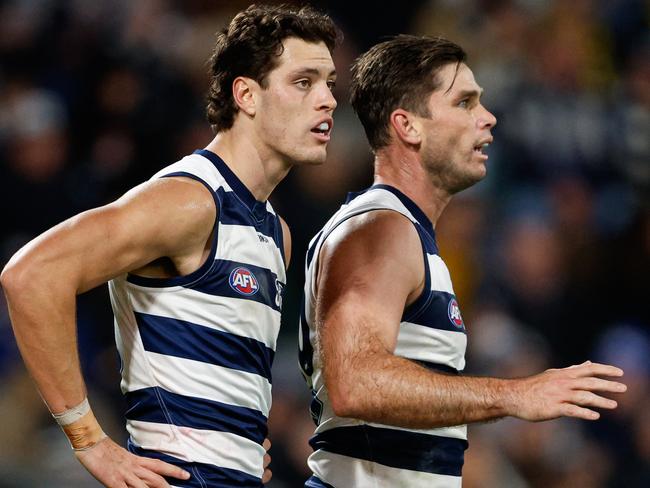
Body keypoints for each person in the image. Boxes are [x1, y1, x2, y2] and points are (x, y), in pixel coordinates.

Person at [1, 4, 339, 487]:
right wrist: (91, 440)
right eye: (304, 82)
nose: (327, 99)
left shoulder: (274, 232)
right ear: (246, 94)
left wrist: (239, 447)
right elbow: (30, 275)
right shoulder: (189, 200)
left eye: (328, 81)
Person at [298, 35, 627, 488]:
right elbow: (356, 381)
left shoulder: (405, 234)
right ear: (408, 126)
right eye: (466, 102)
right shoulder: (380, 229)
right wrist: (516, 394)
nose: (488, 119)